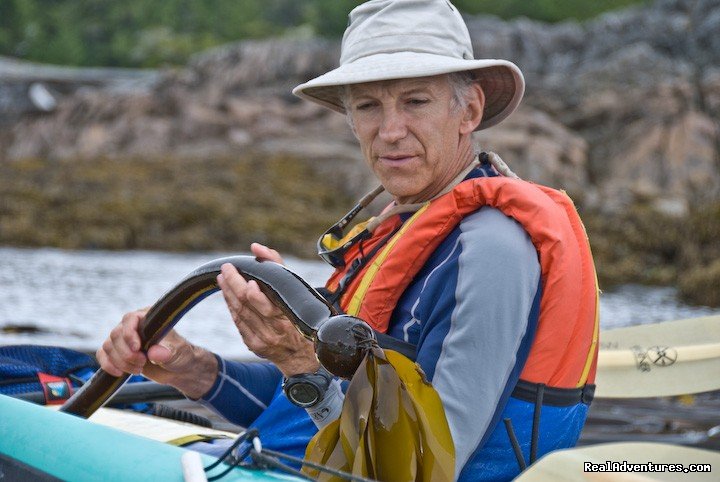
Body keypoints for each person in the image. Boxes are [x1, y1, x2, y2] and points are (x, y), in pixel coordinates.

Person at [97, 1, 599, 480]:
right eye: (368, 106)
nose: (390, 131)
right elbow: (318, 408)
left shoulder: (490, 252)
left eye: (416, 101)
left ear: (468, 111)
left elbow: (421, 470)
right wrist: (192, 369)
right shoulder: (398, 233)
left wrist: (300, 362)